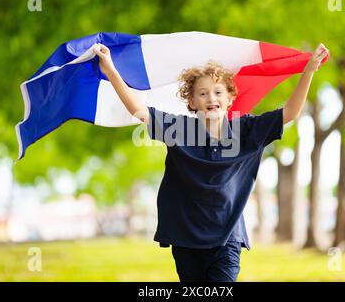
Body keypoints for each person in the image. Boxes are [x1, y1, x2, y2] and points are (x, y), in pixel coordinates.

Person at [94, 43, 329, 282]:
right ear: (192, 102)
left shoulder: (247, 130)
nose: (211, 98)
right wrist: (111, 70)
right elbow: (139, 110)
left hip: (228, 240)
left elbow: (289, 112)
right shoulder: (179, 129)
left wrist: (308, 70)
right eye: (202, 93)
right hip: (186, 239)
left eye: (218, 92)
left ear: (230, 99)